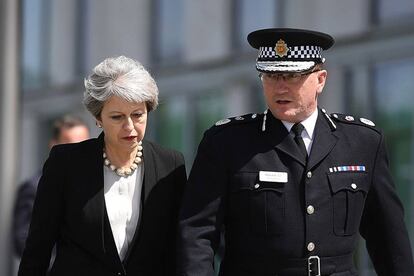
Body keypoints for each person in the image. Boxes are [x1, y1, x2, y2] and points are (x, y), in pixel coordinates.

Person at [177, 28, 414, 276]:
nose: (280, 88)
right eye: (270, 76)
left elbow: (388, 237)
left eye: (292, 76)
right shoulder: (227, 142)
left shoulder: (362, 141)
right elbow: (197, 234)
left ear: (320, 79)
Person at [18, 56, 187, 276]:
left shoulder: (171, 164)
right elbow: (37, 249)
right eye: (117, 117)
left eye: (138, 115)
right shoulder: (65, 163)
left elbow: (179, 247)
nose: (130, 127)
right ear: (98, 118)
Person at [13, 115, 90, 258]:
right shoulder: (33, 188)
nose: (80, 151)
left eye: (85, 144)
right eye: (72, 145)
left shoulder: (95, 184)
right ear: (54, 145)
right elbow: (23, 241)